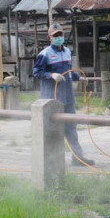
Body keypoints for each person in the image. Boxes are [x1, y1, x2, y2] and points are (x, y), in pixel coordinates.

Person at [33, 22, 94, 166]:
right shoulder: (44, 54)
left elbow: (68, 72)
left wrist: (79, 78)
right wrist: (51, 75)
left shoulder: (67, 52)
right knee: (52, 129)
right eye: (55, 35)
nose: (59, 37)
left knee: (71, 127)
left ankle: (77, 158)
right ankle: (50, 159)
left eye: (60, 34)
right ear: (49, 38)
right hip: (51, 99)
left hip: (68, 97)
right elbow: (36, 73)